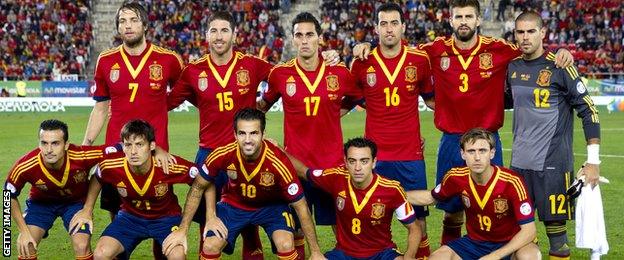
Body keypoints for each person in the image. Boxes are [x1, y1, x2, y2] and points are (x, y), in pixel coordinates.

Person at [352, 0, 574, 245]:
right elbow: (397, 51)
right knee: (452, 211)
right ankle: (452, 251)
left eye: (469, 16)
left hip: (488, 141)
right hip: (451, 141)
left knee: (497, 208)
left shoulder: (498, 48)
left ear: (478, 20)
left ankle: (505, 250)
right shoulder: (434, 50)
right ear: (451, 20)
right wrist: (365, 46)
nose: (464, 22)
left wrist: (559, 52)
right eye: (459, 17)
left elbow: (531, 49)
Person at [166, 11, 274, 258]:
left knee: (248, 215)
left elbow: (284, 79)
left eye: (224, 30)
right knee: (207, 218)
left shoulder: (252, 64)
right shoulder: (194, 70)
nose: (219, 36)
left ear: (234, 35)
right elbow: (167, 102)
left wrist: (263, 104)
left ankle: (252, 248)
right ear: (205, 36)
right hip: (208, 152)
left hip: (244, 153)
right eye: (213, 30)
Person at [83, 2, 183, 258]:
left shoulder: (168, 59)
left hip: (155, 153)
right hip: (116, 153)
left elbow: (183, 93)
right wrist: (86, 145)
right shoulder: (106, 61)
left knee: (161, 215)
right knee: (119, 217)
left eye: (133, 20)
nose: (127, 26)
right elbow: (100, 108)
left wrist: (161, 110)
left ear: (145, 25)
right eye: (122, 21)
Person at [257, 12, 361, 257]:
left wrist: (334, 111)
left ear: (319, 39)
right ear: (293, 40)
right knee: (296, 232)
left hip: (332, 167)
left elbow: (359, 99)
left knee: (342, 229)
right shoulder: (280, 75)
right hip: (294, 167)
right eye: (299, 35)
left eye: (309, 35)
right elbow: (261, 108)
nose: (304, 40)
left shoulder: (339, 73)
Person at [162, 108, 324, 260]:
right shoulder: (222, 154)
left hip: (271, 207)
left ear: (263, 134)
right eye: (242, 133)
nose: (247, 140)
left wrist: (315, 252)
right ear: (235, 134)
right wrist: (184, 229)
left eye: (254, 133)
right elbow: (198, 187)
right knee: (210, 246)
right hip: (234, 206)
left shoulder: (278, 162)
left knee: (286, 244)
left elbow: (301, 206)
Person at [507, 11, 601, 259]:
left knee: (557, 237)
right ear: (515, 34)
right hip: (518, 167)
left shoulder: (561, 66)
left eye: (530, 31)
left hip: (553, 166)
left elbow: (590, 111)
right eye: (520, 32)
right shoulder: (512, 67)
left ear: (543, 33)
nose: (525, 37)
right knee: (518, 233)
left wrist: (593, 161)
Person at [349, 3, 434, 258]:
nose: (389, 29)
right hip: (375, 158)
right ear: (376, 28)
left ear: (403, 27)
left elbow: (432, 100)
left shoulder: (419, 60)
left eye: (394, 23)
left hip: (410, 155)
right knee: (374, 220)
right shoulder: (362, 63)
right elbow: (352, 101)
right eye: (383, 23)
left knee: (419, 224)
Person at [69, 120, 198, 259]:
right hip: (129, 219)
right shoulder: (111, 166)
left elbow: (202, 180)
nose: (133, 151)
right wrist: (87, 209)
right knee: (101, 254)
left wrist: (185, 227)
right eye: (128, 145)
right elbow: (98, 176)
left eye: (139, 145)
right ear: (122, 147)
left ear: (152, 145)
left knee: (177, 256)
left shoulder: (167, 165)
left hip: (165, 220)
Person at [407, 128, 540, 260]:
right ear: (463, 154)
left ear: (492, 153)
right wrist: (396, 193)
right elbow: (431, 197)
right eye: (471, 151)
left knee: (530, 256)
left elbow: (529, 231)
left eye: (482, 151)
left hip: (510, 242)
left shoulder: (511, 182)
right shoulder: (456, 177)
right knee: (437, 257)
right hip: (475, 243)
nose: (477, 157)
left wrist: (494, 256)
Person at [288, 137, 421, 259]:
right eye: (352, 161)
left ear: (374, 162)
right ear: (345, 162)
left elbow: (414, 227)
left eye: (364, 161)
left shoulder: (392, 189)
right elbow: (304, 172)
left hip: (381, 254)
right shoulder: (336, 177)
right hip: (344, 254)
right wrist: (279, 150)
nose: (358, 168)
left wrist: (409, 257)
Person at [4, 119, 116, 260]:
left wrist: (87, 210)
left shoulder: (81, 155)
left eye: (55, 143)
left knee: (81, 245)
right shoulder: (26, 165)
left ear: (66, 145)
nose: (49, 150)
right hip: (41, 205)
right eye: (44, 143)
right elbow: (8, 195)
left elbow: (119, 149)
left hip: (75, 204)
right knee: (27, 246)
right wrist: (23, 230)